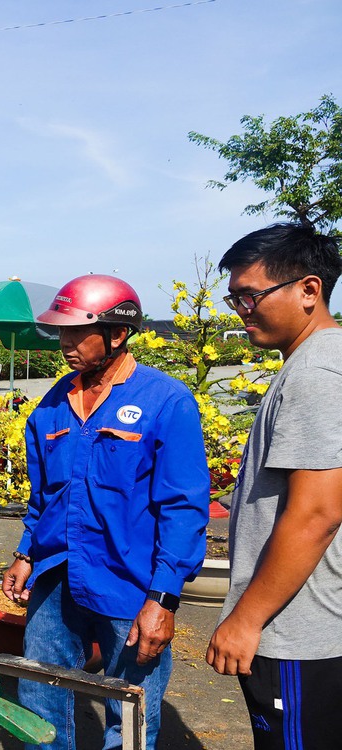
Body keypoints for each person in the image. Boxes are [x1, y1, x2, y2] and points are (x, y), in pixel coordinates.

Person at [2, 275, 209, 750]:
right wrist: (26, 552)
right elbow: (45, 494)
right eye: (61, 332)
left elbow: (184, 507)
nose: (65, 344)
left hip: (132, 585)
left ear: (117, 334)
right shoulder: (54, 401)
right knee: (40, 698)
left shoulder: (166, 401)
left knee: (131, 711)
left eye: (77, 332)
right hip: (56, 576)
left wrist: (163, 598)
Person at [205, 223, 342, 750]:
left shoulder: (317, 374)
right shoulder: (312, 365)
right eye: (234, 296)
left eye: (252, 295)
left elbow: (317, 515)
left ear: (310, 290)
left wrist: (246, 618)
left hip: (300, 634)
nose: (241, 309)